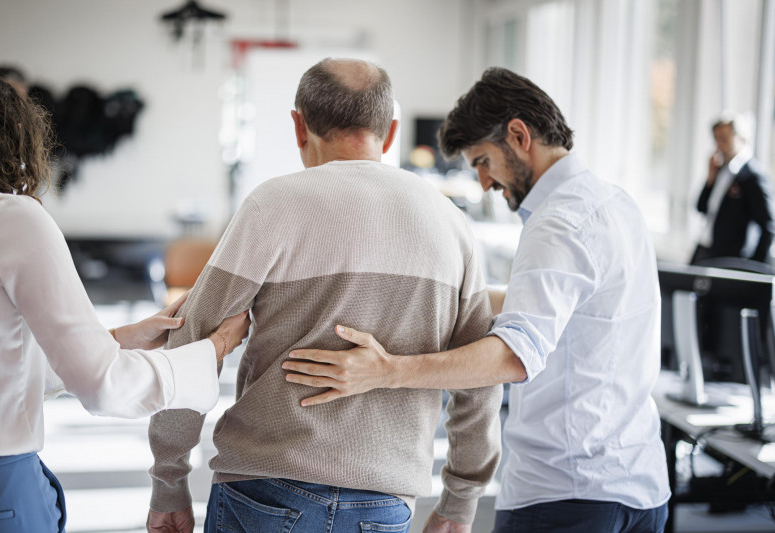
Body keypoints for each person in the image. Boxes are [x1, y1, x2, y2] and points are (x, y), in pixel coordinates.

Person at [0, 65, 250, 533]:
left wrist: (119, 337)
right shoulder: (9, 217)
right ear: (12, 136)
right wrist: (213, 351)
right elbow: (105, 385)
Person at [283, 67, 671, 533]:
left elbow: (513, 357)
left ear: (518, 135)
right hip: (641, 486)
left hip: (569, 493)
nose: (484, 183)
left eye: (484, 161)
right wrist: (441, 296)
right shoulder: (613, 203)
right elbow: (563, 307)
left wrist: (390, 371)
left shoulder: (556, 222)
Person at [146, 58, 502, 533]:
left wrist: (169, 479)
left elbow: (193, 339)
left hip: (264, 487)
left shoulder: (271, 205)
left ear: (299, 124)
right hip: (384, 498)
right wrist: (461, 500)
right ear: (391, 131)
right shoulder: (451, 224)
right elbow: (478, 373)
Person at [691, 111, 774, 265]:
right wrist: (710, 179)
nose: (719, 145)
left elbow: (769, 226)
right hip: (706, 247)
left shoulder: (753, 177)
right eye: (716, 139)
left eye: (724, 139)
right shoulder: (721, 169)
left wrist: (753, 267)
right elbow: (701, 208)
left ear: (741, 138)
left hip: (731, 258)